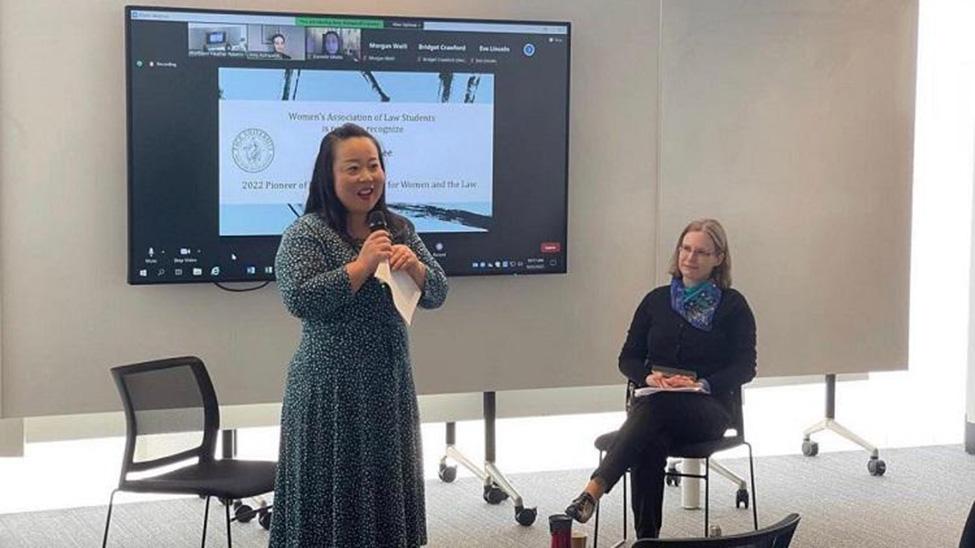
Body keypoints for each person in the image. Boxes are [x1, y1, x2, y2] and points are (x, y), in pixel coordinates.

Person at [269, 123, 448, 547]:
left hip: (388, 386)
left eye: (374, 166)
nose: (367, 178)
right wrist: (361, 265)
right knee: (330, 505)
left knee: (384, 502)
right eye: (353, 168)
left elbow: (438, 292)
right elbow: (300, 298)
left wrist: (416, 268)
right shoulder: (306, 233)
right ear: (328, 178)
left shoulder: (398, 228)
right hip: (330, 391)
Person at [565, 218, 756, 539]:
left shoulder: (733, 306)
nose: (690, 258)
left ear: (718, 259)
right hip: (654, 403)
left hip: (709, 408)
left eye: (701, 252)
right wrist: (650, 378)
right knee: (650, 437)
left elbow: (745, 367)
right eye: (685, 248)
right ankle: (647, 539)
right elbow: (628, 359)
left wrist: (702, 384)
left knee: (652, 416)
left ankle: (595, 489)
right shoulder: (655, 301)